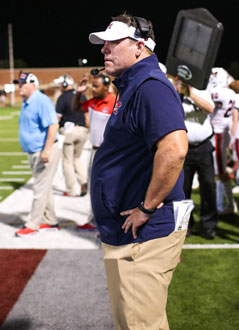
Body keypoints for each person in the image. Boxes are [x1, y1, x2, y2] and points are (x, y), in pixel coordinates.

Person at [88, 13, 188, 329]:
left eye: (113, 42)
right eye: (104, 43)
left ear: (139, 46)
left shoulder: (150, 87)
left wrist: (146, 207)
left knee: (139, 325)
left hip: (142, 235)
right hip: (129, 233)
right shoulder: (133, 84)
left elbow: (174, 151)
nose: (105, 49)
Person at [13, 72, 61, 237]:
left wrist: (46, 150)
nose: (19, 87)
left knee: (39, 189)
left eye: (22, 83)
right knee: (44, 187)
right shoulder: (27, 101)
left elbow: (53, 126)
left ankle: (32, 224)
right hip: (34, 150)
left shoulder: (41, 100)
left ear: (33, 84)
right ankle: (51, 220)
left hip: (44, 150)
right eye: (19, 83)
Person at [72, 72, 117, 231]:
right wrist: (79, 92)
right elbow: (75, 107)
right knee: (94, 187)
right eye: (92, 86)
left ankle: (108, 222)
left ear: (106, 87)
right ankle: (94, 220)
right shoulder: (93, 102)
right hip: (94, 150)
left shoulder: (114, 102)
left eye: (96, 86)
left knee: (109, 188)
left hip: (109, 152)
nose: (93, 90)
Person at [175, 80, 218, 239]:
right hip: (184, 148)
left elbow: (210, 108)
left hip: (203, 147)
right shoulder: (175, 96)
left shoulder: (202, 91)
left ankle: (209, 226)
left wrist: (190, 93)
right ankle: (184, 226)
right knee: (182, 190)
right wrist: (179, 93)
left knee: (208, 187)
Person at [207, 67, 238, 215]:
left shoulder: (217, 92)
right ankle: (223, 204)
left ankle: (229, 205)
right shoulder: (231, 92)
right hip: (222, 132)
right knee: (218, 171)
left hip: (217, 134)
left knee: (220, 171)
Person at [54, 74, 89, 197]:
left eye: (60, 83)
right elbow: (87, 116)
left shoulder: (62, 98)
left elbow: (57, 119)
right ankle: (83, 181)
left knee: (67, 161)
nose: (59, 86)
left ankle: (71, 190)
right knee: (77, 158)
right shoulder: (82, 96)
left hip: (69, 132)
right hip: (83, 131)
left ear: (64, 84)